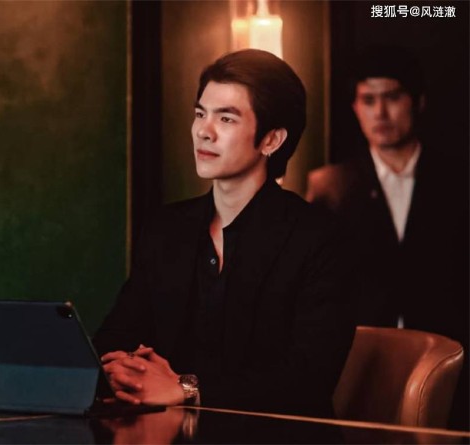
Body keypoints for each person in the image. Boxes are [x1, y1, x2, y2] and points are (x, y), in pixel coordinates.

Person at [93, 49, 355, 418]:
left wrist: (186, 388)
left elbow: (309, 378)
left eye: (226, 118)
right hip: (169, 431)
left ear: (271, 140)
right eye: (200, 113)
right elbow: (115, 337)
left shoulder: (318, 238)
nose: (204, 131)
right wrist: (120, 369)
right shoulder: (167, 229)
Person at [306, 45, 469, 429]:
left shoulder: (459, 181)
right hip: (361, 366)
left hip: (454, 362)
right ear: (355, 108)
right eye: (368, 100)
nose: (380, 113)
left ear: (417, 101)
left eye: (392, 97)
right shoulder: (330, 186)